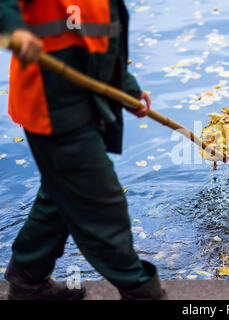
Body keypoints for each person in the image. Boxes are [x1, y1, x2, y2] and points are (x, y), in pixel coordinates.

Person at [0, 0, 167, 300]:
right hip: (52, 109)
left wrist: (126, 88)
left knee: (59, 194)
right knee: (103, 205)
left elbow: (97, 39)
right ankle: (141, 292)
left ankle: (27, 282)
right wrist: (16, 29)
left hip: (85, 104)